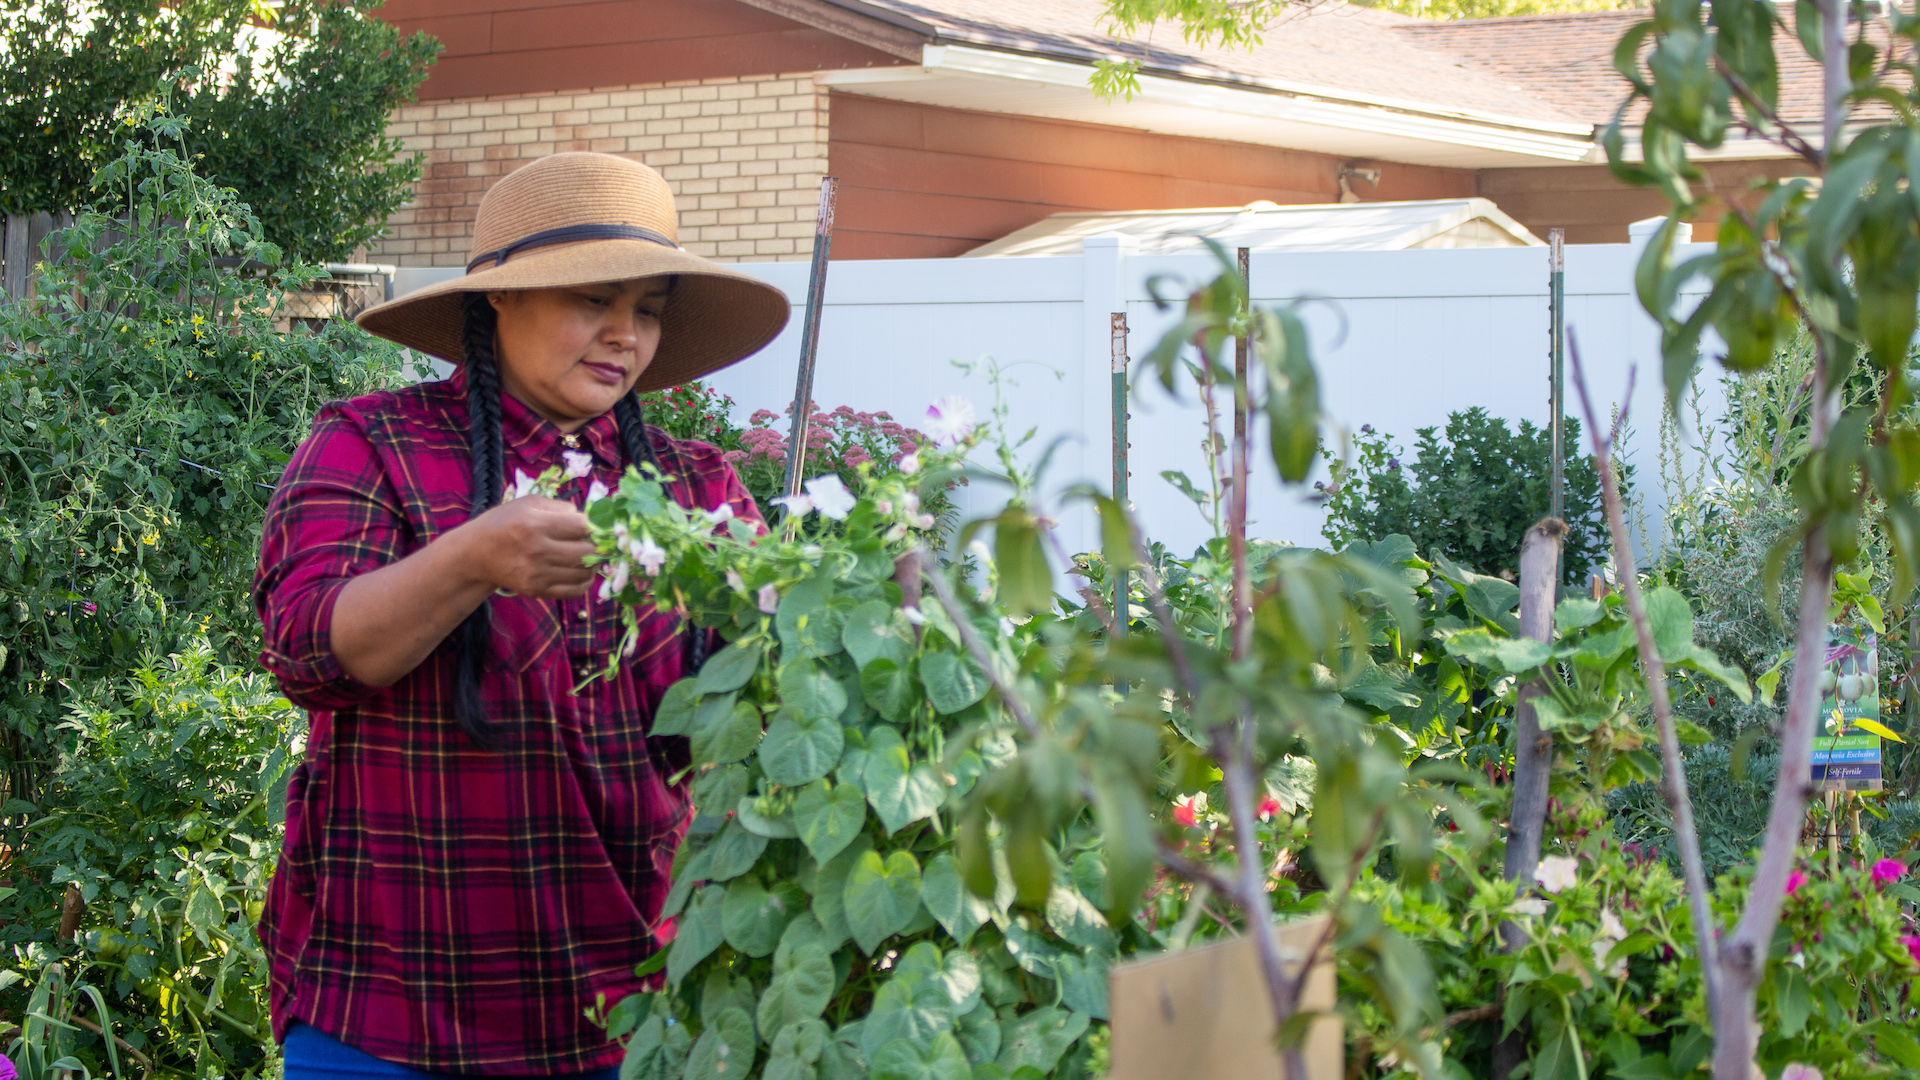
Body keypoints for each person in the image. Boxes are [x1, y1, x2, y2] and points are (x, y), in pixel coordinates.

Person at [254, 152, 789, 1078]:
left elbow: (757, 723)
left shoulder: (698, 487)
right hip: (387, 1008)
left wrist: (820, 618)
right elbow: (308, 651)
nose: (625, 334)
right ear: (499, 299)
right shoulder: (375, 445)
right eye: (594, 298)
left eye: (649, 308)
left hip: (634, 1012)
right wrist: (473, 556)